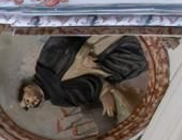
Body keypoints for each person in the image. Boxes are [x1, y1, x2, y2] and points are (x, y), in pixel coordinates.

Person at [18, 35, 150, 120]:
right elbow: (86, 95)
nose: (32, 103)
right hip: (105, 71)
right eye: (32, 106)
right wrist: (103, 93)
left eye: (27, 100)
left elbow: (59, 40)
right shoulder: (59, 99)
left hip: (94, 49)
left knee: (121, 36)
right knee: (135, 61)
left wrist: (81, 55)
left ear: (27, 88)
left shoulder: (43, 66)